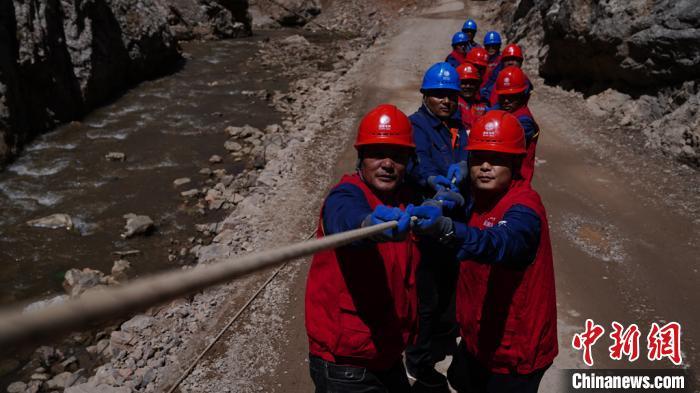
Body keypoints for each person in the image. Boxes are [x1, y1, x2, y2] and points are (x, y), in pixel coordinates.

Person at [409, 110, 558, 393]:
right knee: (459, 380)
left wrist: (448, 229)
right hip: (480, 341)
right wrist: (446, 203)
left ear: (515, 163)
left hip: (515, 354)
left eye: (497, 159)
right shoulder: (481, 198)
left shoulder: (525, 207)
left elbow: (500, 242)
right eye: (478, 158)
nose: (485, 166)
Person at [305, 104, 420, 393]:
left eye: (397, 156)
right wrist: (367, 223)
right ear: (361, 157)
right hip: (347, 365)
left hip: (384, 351)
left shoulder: (401, 197)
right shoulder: (346, 195)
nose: (387, 163)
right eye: (377, 154)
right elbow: (343, 219)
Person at [404, 62, 469, 388]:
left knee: (449, 285)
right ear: (426, 95)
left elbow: (468, 155)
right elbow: (416, 164)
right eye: (439, 95)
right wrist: (432, 181)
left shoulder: (457, 127)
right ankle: (418, 359)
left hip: (453, 223)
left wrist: (464, 165)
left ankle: (443, 336)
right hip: (427, 225)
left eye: (452, 95)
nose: (447, 100)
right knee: (425, 298)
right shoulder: (416, 127)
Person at [491, 66, 539, 183]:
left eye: (512, 97)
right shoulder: (506, 109)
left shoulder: (524, 121)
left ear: (521, 96)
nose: (506, 100)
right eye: (503, 96)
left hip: (516, 178)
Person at [456, 62, 489, 131]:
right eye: (464, 83)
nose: (468, 86)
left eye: (471, 83)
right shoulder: (452, 105)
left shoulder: (483, 107)